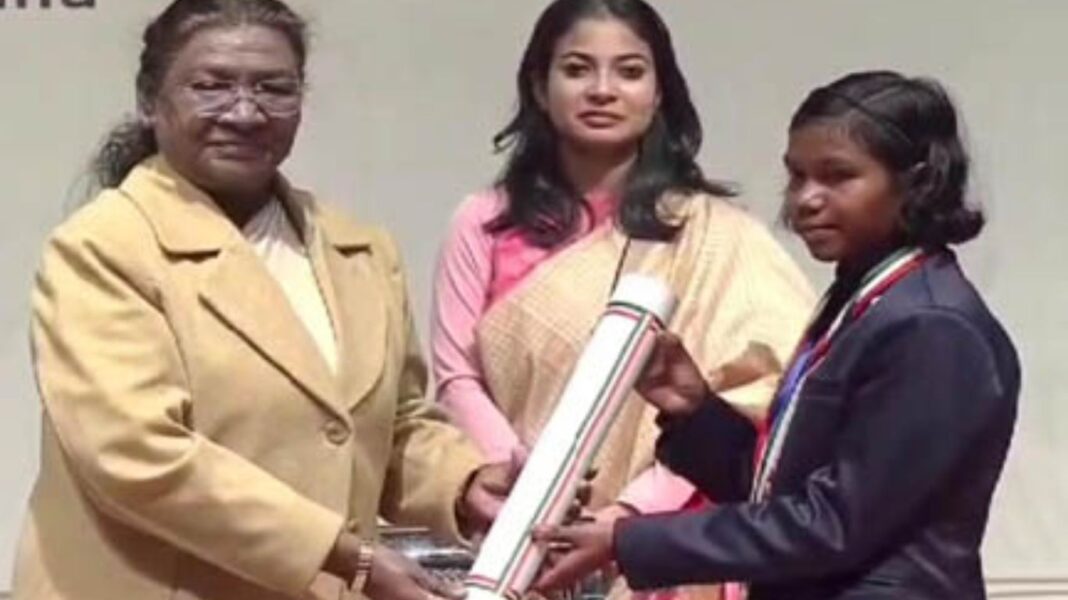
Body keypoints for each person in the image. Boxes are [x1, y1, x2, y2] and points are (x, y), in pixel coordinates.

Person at [12, 1, 516, 599]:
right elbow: (136, 453)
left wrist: (464, 483)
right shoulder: (103, 247)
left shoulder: (358, 248)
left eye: (274, 89)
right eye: (211, 86)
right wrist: (345, 556)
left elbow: (395, 425)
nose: (245, 113)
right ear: (150, 100)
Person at [532, 70, 1021, 600]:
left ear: (916, 182)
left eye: (838, 176)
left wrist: (629, 540)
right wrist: (694, 410)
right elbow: (783, 493)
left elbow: (833, 525)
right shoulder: (863, 303)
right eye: (797, 176)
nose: (806, 198)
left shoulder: (932, 326)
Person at [430, 0, 812, 597]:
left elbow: (759, 391)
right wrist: (533, 487)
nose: (602, 90)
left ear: (659, 93)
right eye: (577, 69)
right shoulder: (484, 223)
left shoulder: (716, 235)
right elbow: (456, 375)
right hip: (518, 532)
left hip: (666, 541)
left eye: (630, 72)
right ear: (539, 86)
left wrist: (628, 516)